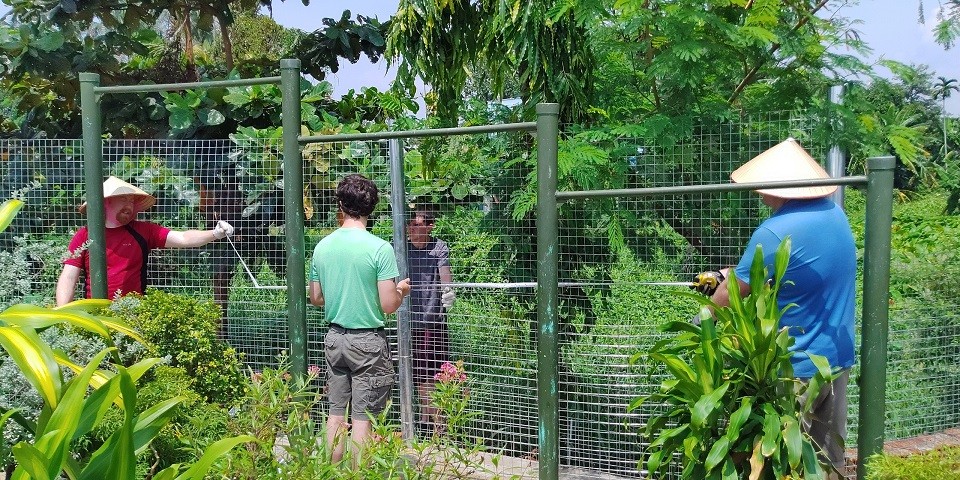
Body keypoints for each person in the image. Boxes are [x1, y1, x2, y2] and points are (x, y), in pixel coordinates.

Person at [692, 138, 856, 477]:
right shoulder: (834, 213)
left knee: (784, 465)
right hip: (836, 360)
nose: (758, 192)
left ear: (781, 186)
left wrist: (699, 322)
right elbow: (793, 269)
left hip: (794, 369)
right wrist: (723, 273)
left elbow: (728, 299)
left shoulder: (774, 229)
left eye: (762, 186)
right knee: (827, 465)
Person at [308, 173, 411, 463]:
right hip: (367, 342)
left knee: (336, 414)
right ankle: (358, 473)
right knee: (364, 419)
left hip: (335, 340)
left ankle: (330, 471)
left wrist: (343, 291)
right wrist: (401, 290)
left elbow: (316, 297)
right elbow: (389, 304)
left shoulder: (322, 247)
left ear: (340, 203)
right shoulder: (379, 248)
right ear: (372, 207)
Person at [56, 176, 234, 306]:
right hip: (96, 314)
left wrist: (215, 233)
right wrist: (63, 315)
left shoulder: (143, 231)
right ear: (106, 202)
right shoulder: (85, 235)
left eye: (132, 201)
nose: (130, 205)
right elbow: (69, 277)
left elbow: (183, 238)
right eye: (124, 199)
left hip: (134, 312)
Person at [406, 206, 455, 434]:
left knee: (437, 370)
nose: (412, 229)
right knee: (418, 372)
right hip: (407, 321)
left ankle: (437, 425)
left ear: (429, 226)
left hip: (433, 318)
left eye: (417, 224)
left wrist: (448, 289)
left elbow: (445, 272)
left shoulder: (438, 246)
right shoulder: (401, 248)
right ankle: (428, 423)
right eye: (410, 225)